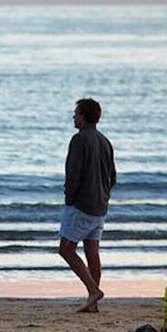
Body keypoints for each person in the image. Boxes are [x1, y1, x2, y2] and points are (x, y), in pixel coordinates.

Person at [58, 98, 116, 313]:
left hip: (82, 204)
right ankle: (93, 303)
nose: (74, 117)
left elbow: (73, 173)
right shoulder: (105, 141)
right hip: (100, 205)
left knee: (66, 249)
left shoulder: (79, 139)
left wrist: (70, 198)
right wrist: (104, 196)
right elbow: (112, 176)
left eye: (76, 113)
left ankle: (93, 290)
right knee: (92, 251)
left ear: (82, 116)